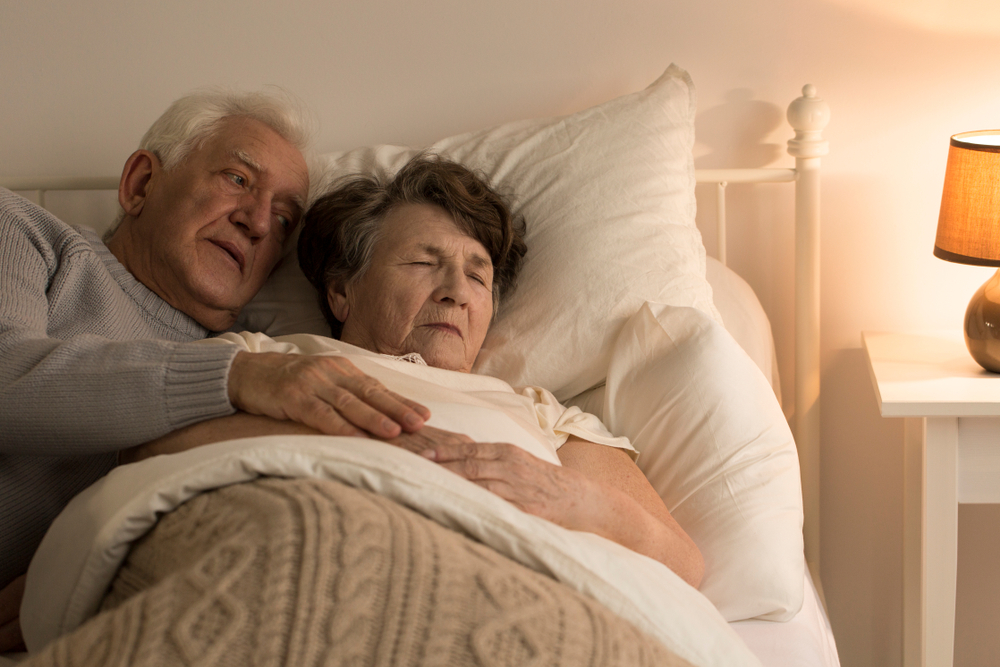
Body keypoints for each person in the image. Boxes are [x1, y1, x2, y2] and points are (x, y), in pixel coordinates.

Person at [123, 155, 706, 588]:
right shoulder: (267, 357)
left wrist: (563, 491)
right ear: (342, 292)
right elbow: (156, 446)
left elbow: (681, 563)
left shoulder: (541, 414)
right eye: (425, 263)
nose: (457, 292)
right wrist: (392, 451)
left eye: (477, 276)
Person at [0, 89, 432, 650]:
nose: (258, 224)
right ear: (141, 184)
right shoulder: (25, 235)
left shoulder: (267, 357)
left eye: (283, 219)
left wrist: (84, 568)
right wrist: (233, 377)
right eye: (237, 179)